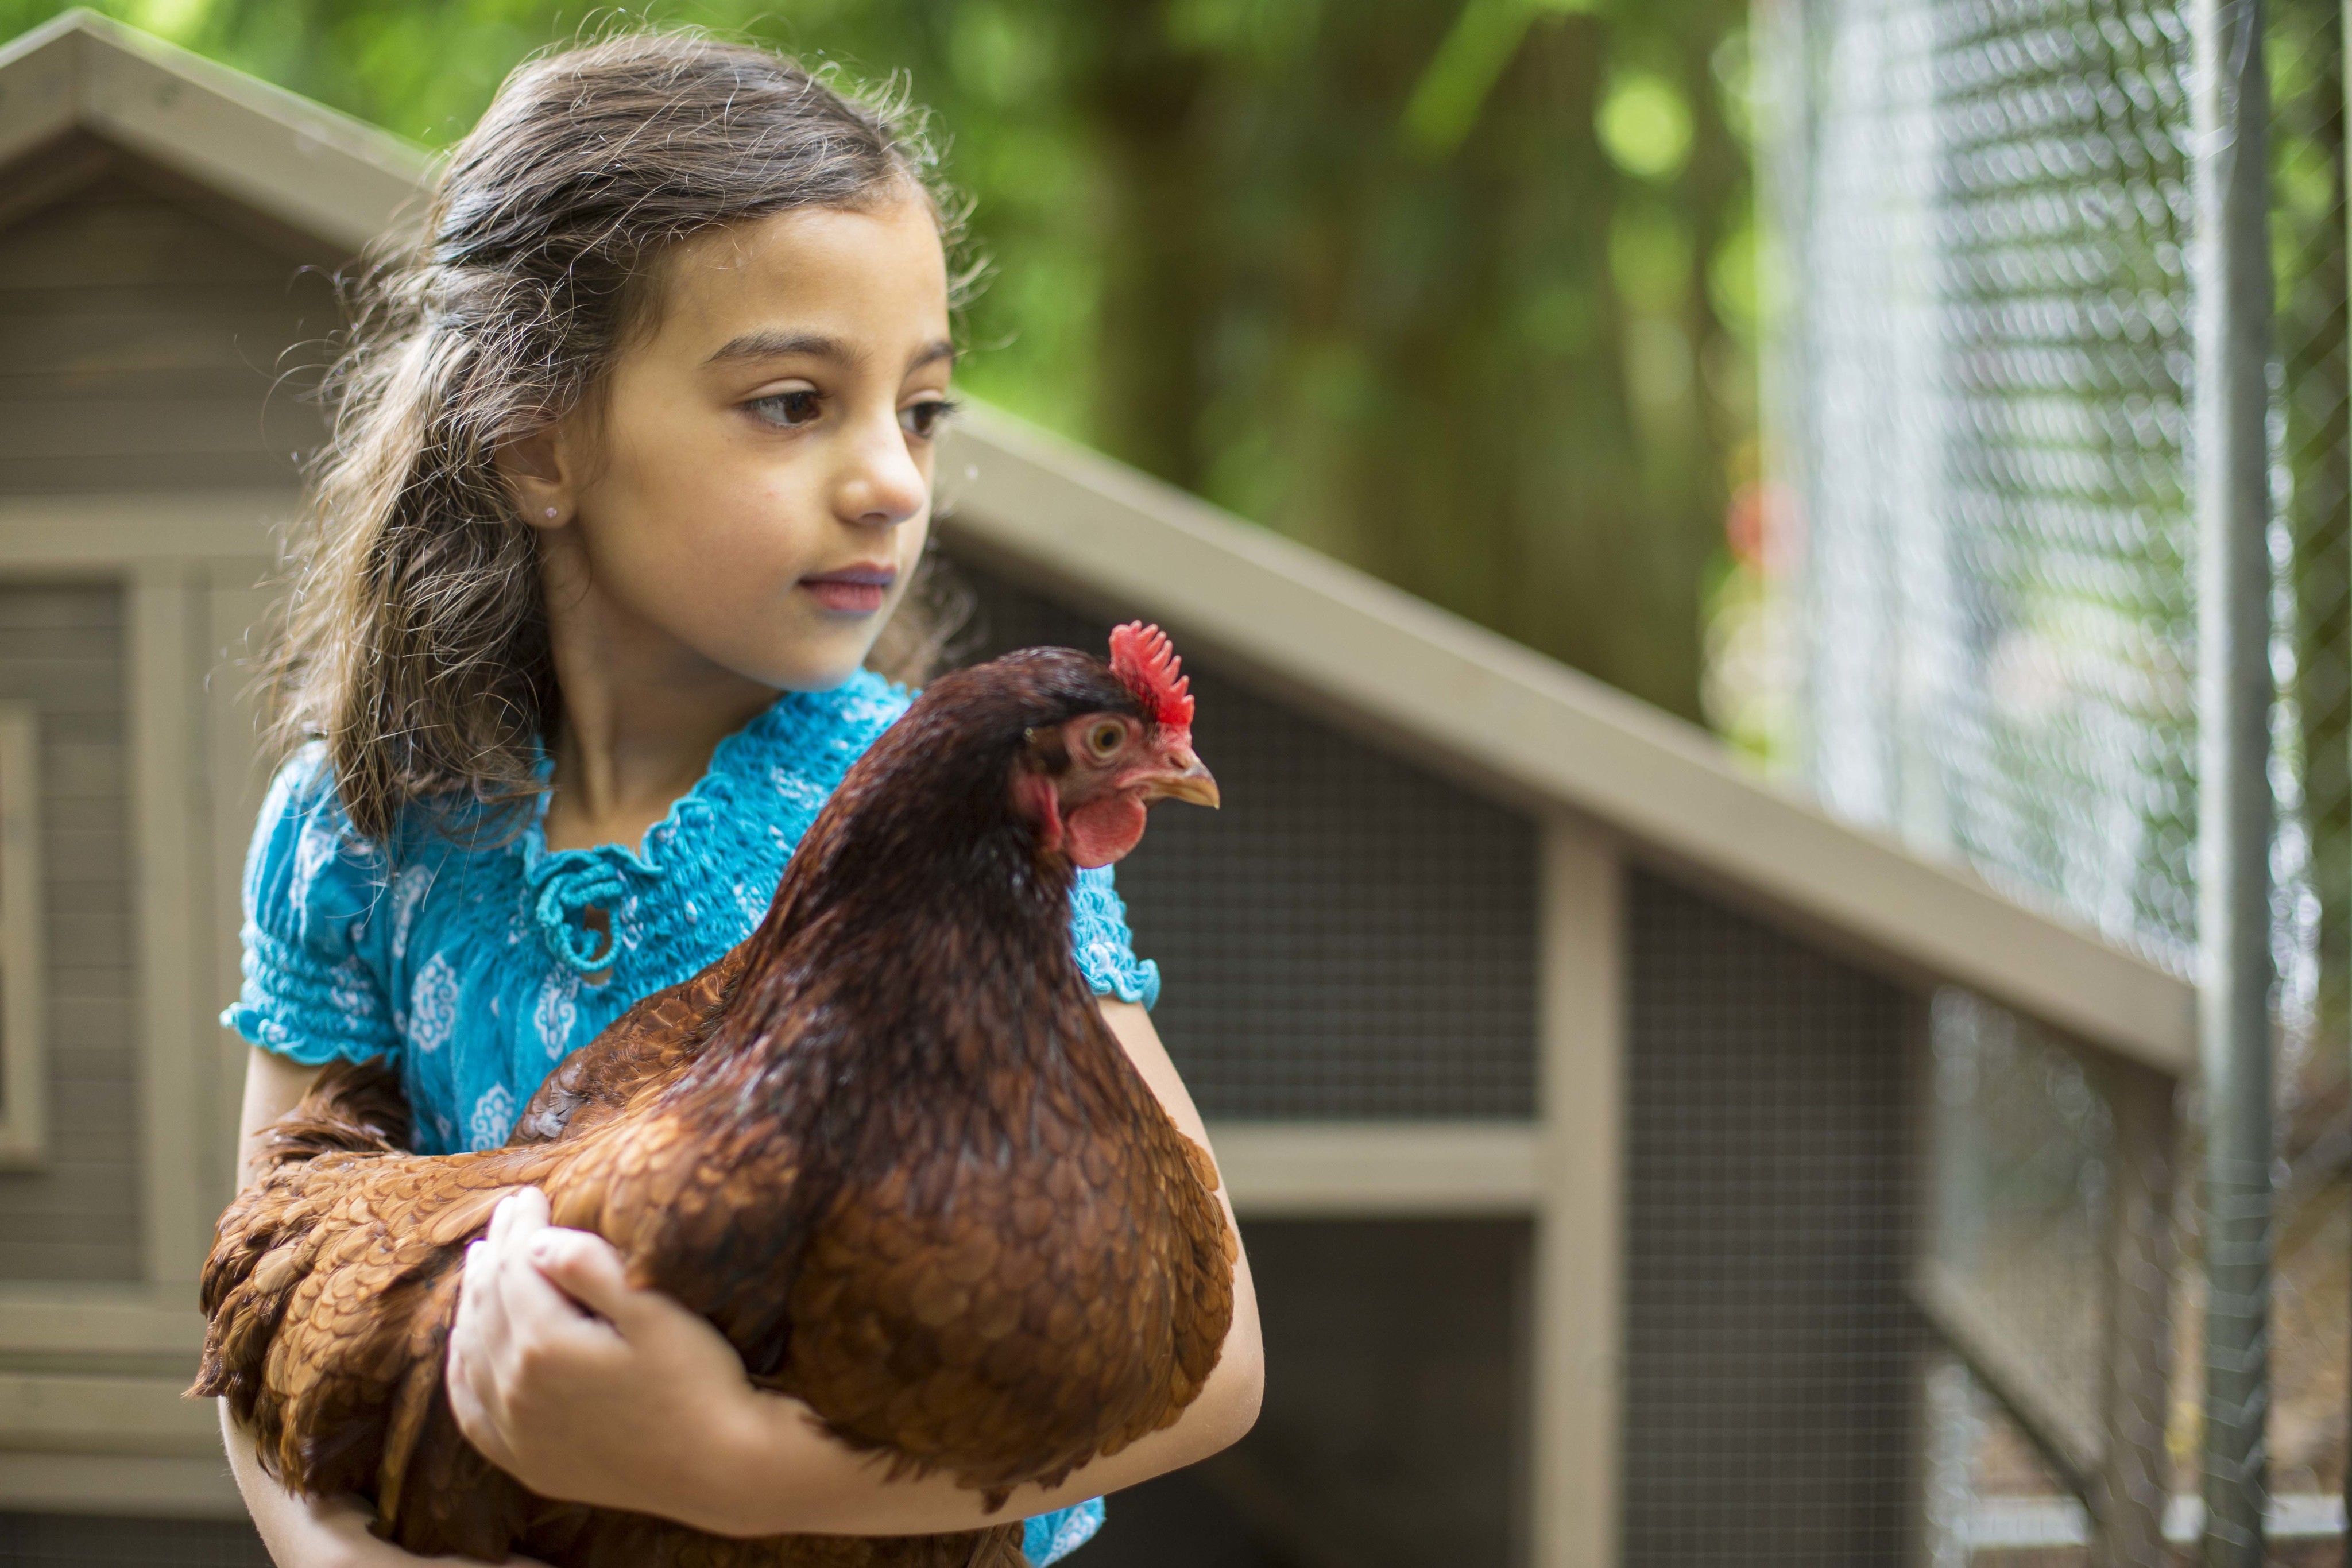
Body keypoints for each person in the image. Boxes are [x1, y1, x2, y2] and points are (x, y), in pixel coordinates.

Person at [217, 29, 1264, 1566]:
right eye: (793, 403)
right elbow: (263, 1307)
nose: (892, 479)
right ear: (536, 440)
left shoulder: (951, 807)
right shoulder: (357, 825)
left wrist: (738, 1469)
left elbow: (1213, 1358)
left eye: (919, 411)